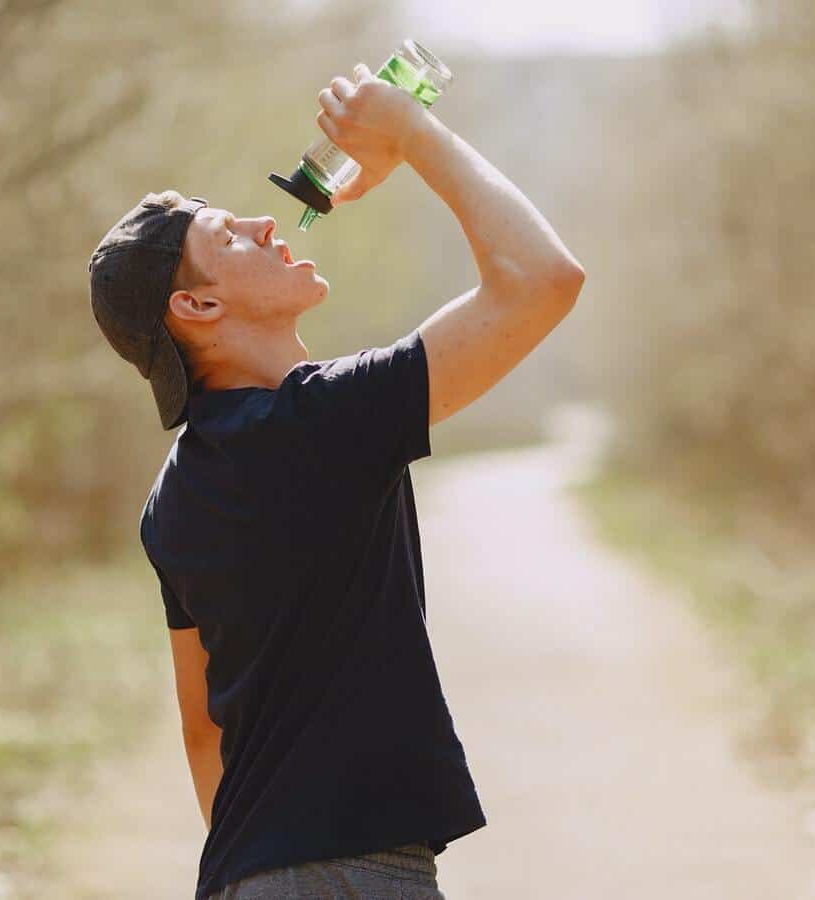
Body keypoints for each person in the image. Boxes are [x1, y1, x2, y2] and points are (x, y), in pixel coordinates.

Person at [86, 61, 585, 900]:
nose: (261, 221)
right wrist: (414, 136)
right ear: (197, 311)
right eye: (227, 236)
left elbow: (205, 732)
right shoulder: (322, 424)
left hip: (247, 874)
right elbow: (544, 279)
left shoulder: (171, 498)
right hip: (354, 875)